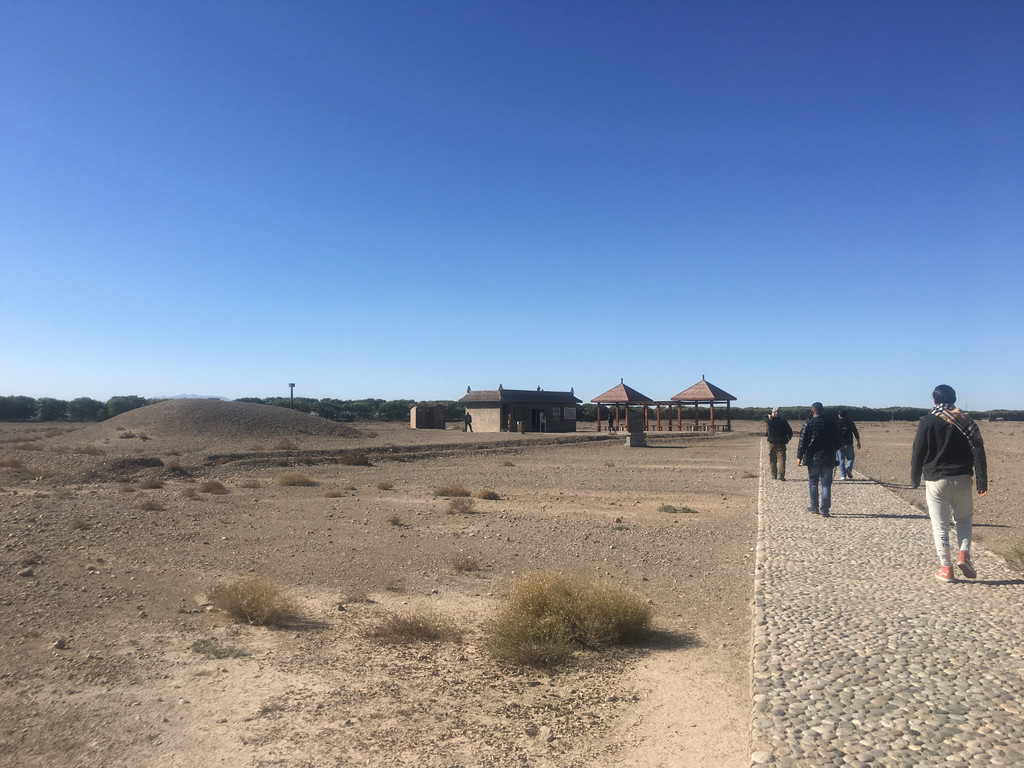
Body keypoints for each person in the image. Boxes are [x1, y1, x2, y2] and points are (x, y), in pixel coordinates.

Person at [911, 384, 987, 583]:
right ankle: (964, 554)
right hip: (962, 478)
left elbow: (918, 450)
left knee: (940, 525)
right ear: (954, 399)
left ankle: (946, 569)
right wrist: (982, 480)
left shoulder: (927, 421)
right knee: (963, 520)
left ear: (934, 401)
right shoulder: (966, 420)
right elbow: (978, 448)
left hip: (936, 479)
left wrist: (914, 477)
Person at [796, 402, 842, 517]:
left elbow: (802, 443)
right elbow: (839, 442)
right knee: (826, 485)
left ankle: (814, 507)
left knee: (813, 483)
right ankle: (825, 510)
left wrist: (799, 457)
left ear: (812, 412)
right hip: (828, 458)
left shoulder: (808, 424)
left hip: (813, 459)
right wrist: (833, 449)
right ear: (823, 411)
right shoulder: (832, 424)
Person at [765, 407, 793, 481]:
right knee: (781, 459)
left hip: (772, 442)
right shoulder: (783, 421)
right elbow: (789, 431)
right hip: (781, 442)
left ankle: (773, 475)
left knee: (772, 459)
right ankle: (781, 475)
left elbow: (765, 419)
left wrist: (769, 416)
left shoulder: (770, 421)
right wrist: (789, 437)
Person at [836, 410, 862, 479]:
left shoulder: (837, 423)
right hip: (849, 443)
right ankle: (848, 469)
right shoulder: (851, 423)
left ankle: (843, 475)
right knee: (851, 458)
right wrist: (858, 442)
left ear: (839, 415)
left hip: (839, 444)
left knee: (841, 460)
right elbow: (856, 433)